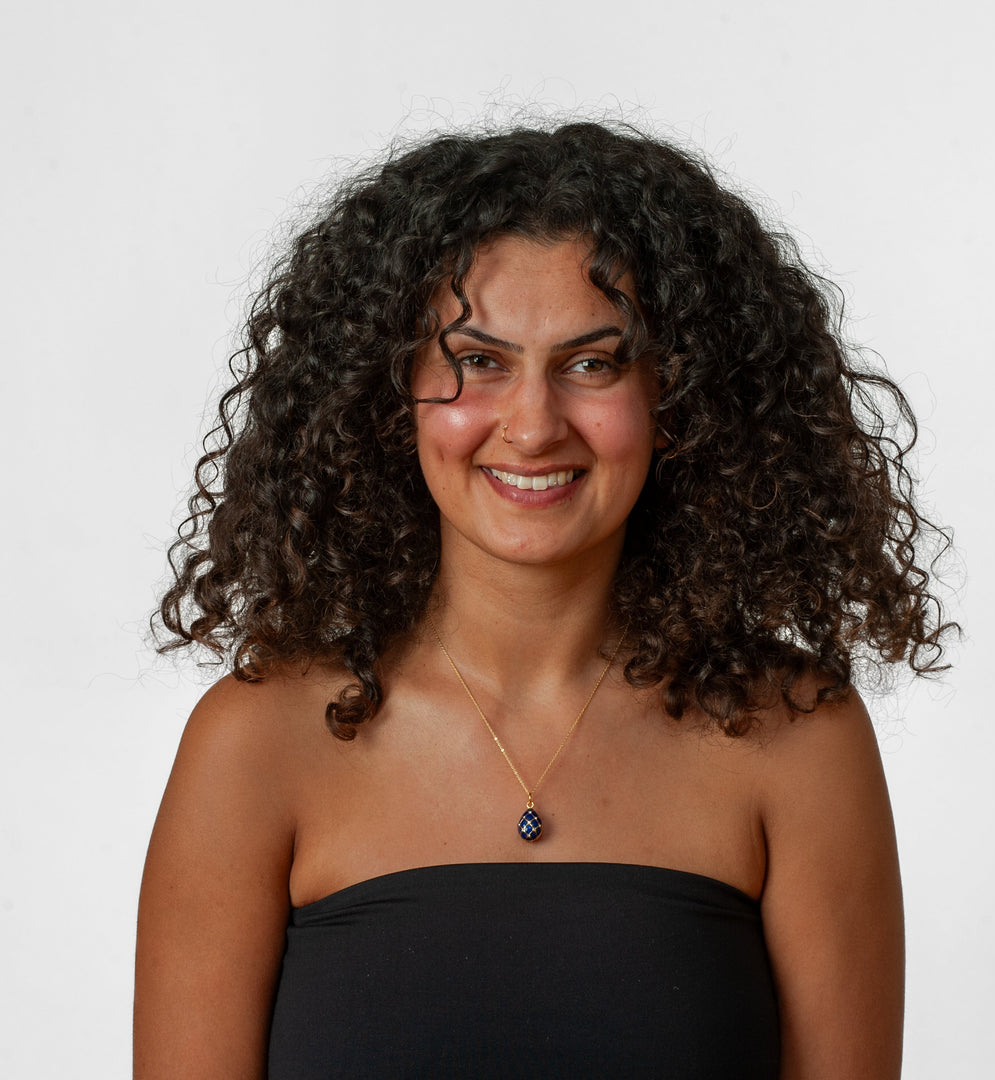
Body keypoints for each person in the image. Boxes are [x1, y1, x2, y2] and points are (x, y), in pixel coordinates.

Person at [135, 120, 953, 1079]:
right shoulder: (255, 745)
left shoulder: (798, 739)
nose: (531, 425)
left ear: (677, 397)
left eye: (593, 363)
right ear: (385, 390)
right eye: (477, 361)